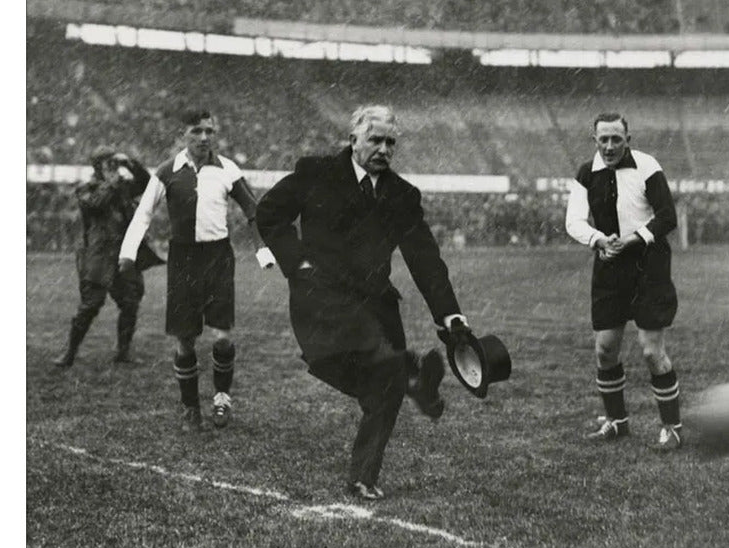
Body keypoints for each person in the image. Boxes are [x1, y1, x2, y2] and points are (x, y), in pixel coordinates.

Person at [256, 105, 467, 501]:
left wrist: (450, 314)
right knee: (376, 359)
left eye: (391, 142)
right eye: (375, 139)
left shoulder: (403, 195)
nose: (384, 149)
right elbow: (269, 214)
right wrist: (296, 261)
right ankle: (411, 376)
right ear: (353, 139)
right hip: (322, 298)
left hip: (376, 303)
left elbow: (424, 257)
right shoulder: (315, 172)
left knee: (382, 391)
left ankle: (363, 476)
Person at [118, 110, 276, 432]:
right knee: (185, 341)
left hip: (218, 257)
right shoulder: (167, 171)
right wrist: (127, 253)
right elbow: (143, 214)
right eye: (197, 131)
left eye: (209, 131)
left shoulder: (226, 168)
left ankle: (222, 398)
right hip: (183, 260)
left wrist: (262, 249)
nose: (204, 138)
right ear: (183, 134)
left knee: (222, 337)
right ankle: (190, 408)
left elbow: (252, 209)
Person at [565, 112, 682, 450]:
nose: (610, 146)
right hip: (609, 264)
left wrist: (632, 239)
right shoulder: (587, 173)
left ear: (628, 139)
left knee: (650, 351)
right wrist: (599, 240)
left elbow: (667, 217)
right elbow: (573, 220)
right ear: (595, 140)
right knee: (605, 350)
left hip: (649, 265)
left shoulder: (647, 166)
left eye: (617, 139)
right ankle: (617, 422)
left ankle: (671, 427)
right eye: (604, 139)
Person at [53, 148, 161, 367]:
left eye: (114, 164)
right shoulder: (86, 188)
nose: (114, 169)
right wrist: (112, 183)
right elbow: (96, 204)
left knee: (130, 301)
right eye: (108, 164)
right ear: (98, 167)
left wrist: (131, 163)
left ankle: (123, 352)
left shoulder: (123, 187)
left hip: (123, 253)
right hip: (98, 255)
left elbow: (147, 184)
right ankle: (69, 352)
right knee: (91, 305)